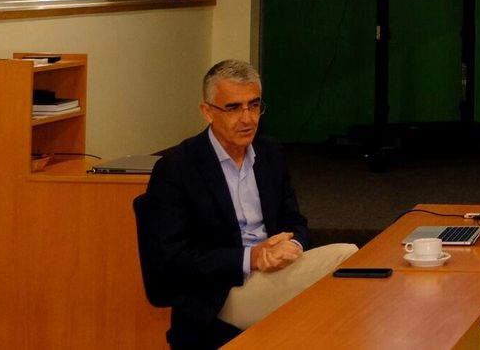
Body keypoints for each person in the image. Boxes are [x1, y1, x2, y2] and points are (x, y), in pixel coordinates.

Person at [139, 60, 356, 350]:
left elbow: (296, 222)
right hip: (220, 293)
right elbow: (170, 262)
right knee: (345, 257)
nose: (248, 118)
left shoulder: (270, 153)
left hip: (274, 273)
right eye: (233, 108)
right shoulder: (178, 168)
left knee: (350, 270)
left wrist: (291, 246)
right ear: (207, 112)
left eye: (254, 106)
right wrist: (249, 258)